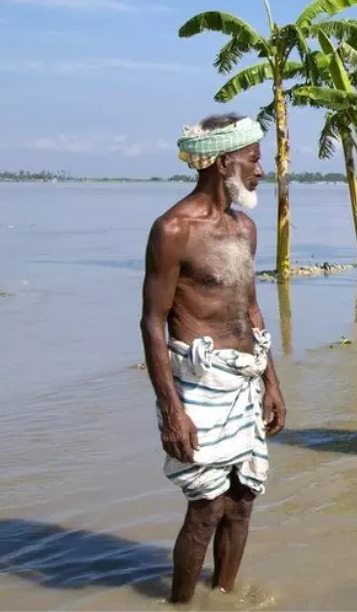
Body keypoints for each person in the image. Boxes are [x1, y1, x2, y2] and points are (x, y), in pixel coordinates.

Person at [140, 113, 286, 604]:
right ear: (225, 162)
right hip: (201, 385)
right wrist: (171, 411)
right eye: (254, 159)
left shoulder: (244, 229)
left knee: (243, 501)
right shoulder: (173, 229)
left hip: (244, 380)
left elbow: (251, 309)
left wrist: (272, 382)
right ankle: (180, 604)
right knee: (206, 507)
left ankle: (222, 596)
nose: (261, 170)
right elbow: (151, 323)